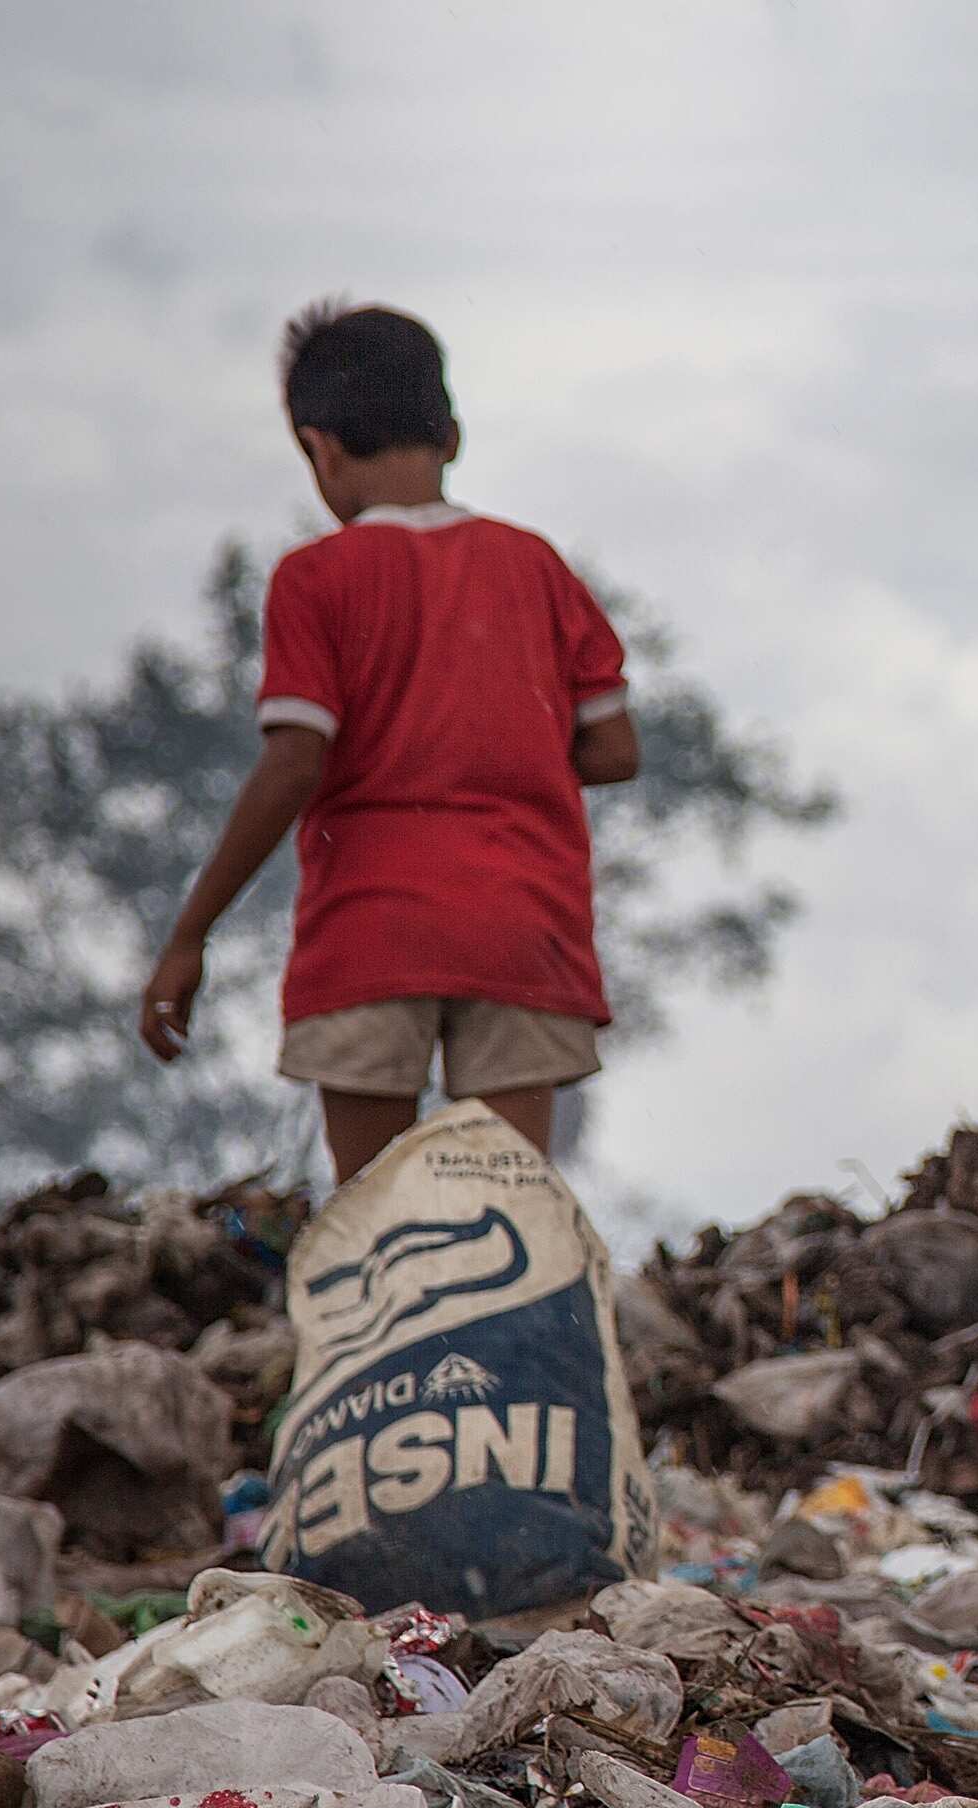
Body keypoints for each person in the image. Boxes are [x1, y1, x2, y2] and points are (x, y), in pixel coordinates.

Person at [141, 300, 639, 1183]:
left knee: (375, 1212)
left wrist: (191, 935)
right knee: (510, 1212)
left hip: (371, 931)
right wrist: (499, 746)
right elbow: (614, 751)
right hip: (522, 925)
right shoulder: (535, 565)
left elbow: (295, 760)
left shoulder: (315, 580)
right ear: (452, 435)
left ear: (319, 449)